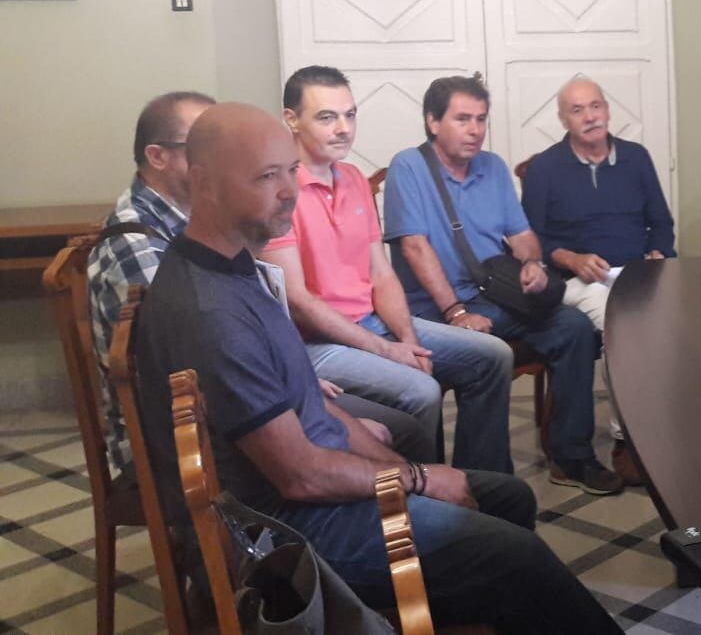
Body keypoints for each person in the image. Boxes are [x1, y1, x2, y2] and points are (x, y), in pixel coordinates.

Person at [132, 103, 620, 632]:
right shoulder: (212, 311)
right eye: (266, 176)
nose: (289, 191)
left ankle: (470, 611)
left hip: (312, 496)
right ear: (203, 183)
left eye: (290, 170)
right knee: (520, 556)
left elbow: (312, 402)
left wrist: (401, 470)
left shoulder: (234, 264)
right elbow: (299, 476)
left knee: (508, 497)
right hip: (291, 537)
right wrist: (416, 478)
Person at [88, 91, 424, 468]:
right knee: (398, 425)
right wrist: (309, 406)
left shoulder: (206, 219)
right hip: (181, 443)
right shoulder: (139, 245)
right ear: (157, 156)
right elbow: (202, 368)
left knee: (401, 426)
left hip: (238, 397)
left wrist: (301, 385)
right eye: (201, 142)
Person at [262, 66, 515, 474]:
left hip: (371, 322)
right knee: (422, 389)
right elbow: (299, 301)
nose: (344, 128)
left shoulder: (353, 179)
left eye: (350, 115)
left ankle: (481, 484)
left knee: (493, 356)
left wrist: (409, 340)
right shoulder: (276, 191)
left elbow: (381, 273)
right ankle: (426, 492)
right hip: (315, 343)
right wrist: (387, 350)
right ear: (291, 119)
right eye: (327, 117)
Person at [384, 76, 622, 495]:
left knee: (574, 328)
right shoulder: (409, 166)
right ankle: (485, 484)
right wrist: (456, 313)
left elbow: (522, 234)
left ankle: (571, 457)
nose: (475, 130)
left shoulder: (492, 167)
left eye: (481, 119)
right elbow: (415, 248)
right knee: (486, 354)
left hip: (493, 295)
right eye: (462, 119)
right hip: (433, 309)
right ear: (433, 122)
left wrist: (531, 264)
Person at [518, 75, 674, 483]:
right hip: (576, 281)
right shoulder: (545, 168)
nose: (590, 117)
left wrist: (658, 253)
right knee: (623, 325)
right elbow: (530, 240)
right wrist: (571, 258)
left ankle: (668, 428)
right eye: (577, 110)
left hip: (636, 273)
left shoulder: (636, 158)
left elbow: (661, 222)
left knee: (679, 318)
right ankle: (629, 441)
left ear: (607, 110)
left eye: (596, 106)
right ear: (563, 120)